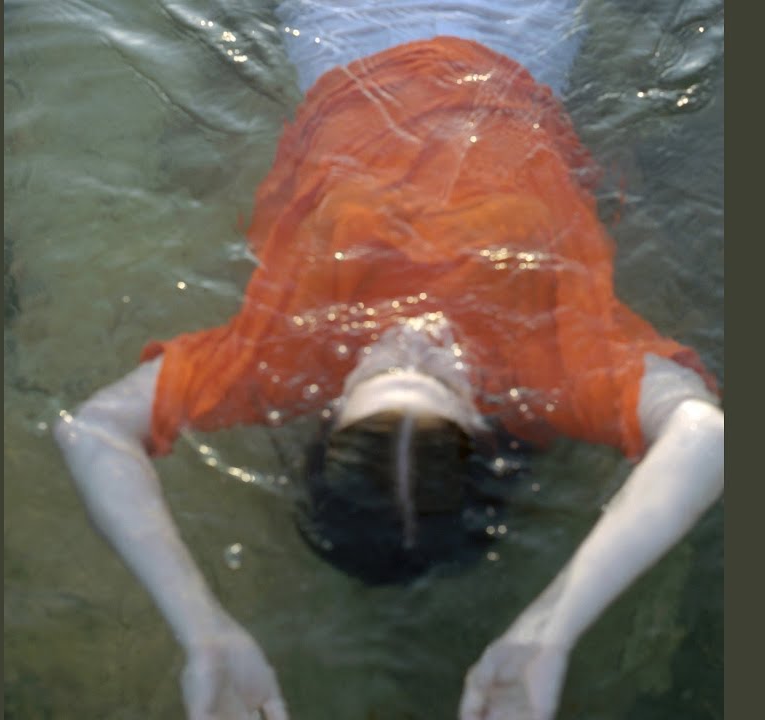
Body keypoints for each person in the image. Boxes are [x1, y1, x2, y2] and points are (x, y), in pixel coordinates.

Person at [53, 1, 724, 719]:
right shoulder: (550, 371)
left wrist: (204, 633)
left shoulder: (286, 359)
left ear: (332, 409)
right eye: (442, 379)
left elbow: (93, 430)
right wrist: (550, 631)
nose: (415, 339)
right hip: (518, 30)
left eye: (380, 372)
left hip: (344, 27)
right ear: (484, 423)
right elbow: (704, 435)